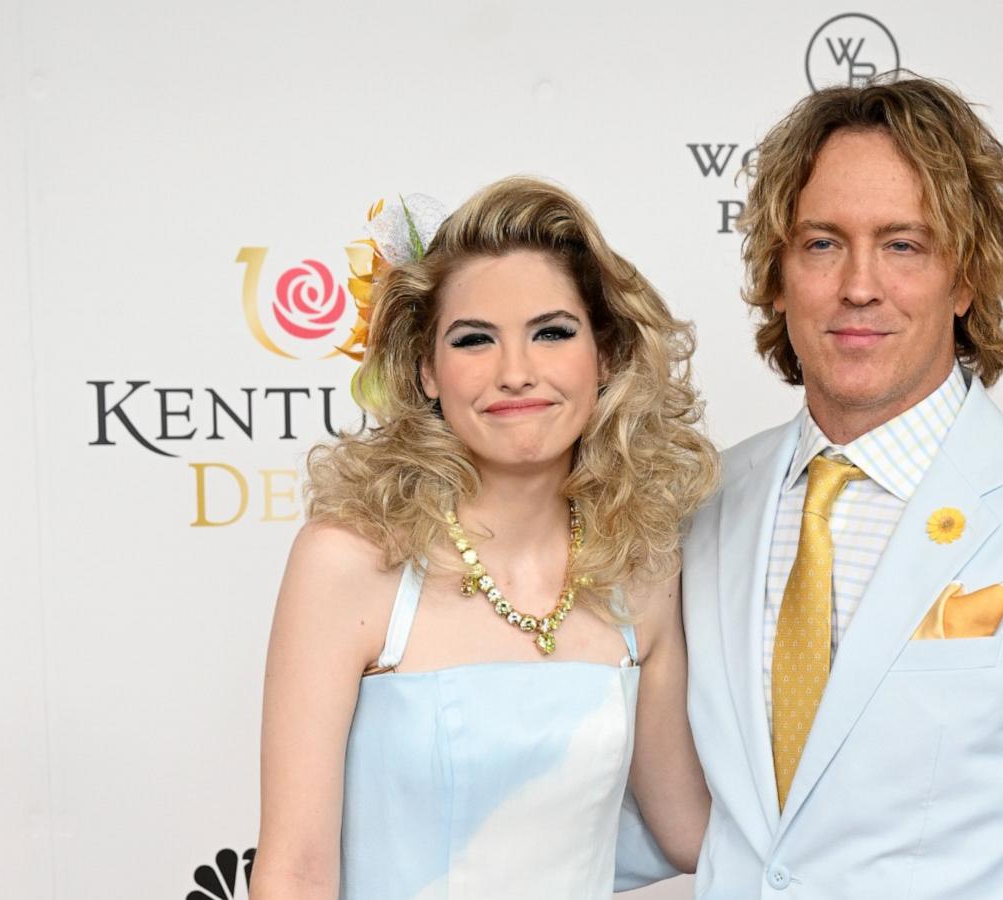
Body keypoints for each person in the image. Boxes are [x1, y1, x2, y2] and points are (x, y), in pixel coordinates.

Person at [618, 75, 1003, 897]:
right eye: (821, 243)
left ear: (965, 280)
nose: (859, 285)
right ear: (778, 277)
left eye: (903, 244)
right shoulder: (696, 504)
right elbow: (670, 818)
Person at [251, 176, 717, 900]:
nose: (516, 372)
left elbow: (692, 831)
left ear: (607, 355)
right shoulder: (348, 564)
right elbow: (294, 873)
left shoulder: (641, 569)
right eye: (474, 340)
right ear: (427, 370)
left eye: (552, 332)